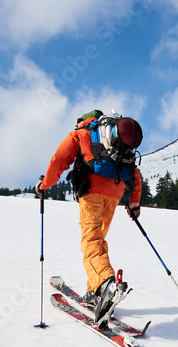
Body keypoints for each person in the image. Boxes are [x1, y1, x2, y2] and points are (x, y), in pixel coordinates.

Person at [35, 110, 143, 328]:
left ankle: (105, 284)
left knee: (91, 241)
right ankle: (94, 292)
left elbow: (58, 160)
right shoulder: (115, 137)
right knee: (98, 239)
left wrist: (44, 185)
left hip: (91, 190)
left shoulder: (82, 133)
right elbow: (133, 170)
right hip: (114, 193)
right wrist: (134, 203)